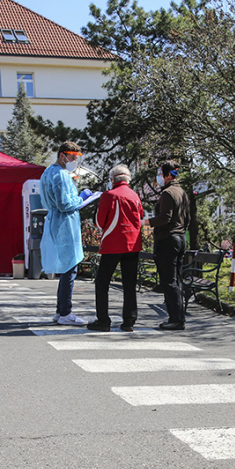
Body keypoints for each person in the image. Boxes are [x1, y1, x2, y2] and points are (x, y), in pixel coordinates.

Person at [87, 165, 143, 332]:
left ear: (112, 180)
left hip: (113, 244)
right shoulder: (135, 195)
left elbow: (99, 222)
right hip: (133, 245)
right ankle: (129, 321)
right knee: (129, 284)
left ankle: (103, 320)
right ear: (127, 179)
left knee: (102, 282)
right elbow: (139, 216)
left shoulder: (109, 195)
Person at [39, 141, 87, 325]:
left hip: (55, 221)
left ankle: (60, 311)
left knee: (66, 267)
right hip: (65, 224)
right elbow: (64, 204)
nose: (74, 161)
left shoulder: (47, 173)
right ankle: (66, 312)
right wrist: (82, 198)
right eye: (73, 157)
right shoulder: (61, 176)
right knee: (70, 268)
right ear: (62, 155)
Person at [149, 159, 190, 331]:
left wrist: (146, 222)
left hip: (168, 239)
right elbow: (187, 218)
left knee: (169, 281)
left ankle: (175, 319)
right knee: (177, 280)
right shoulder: (182, 192)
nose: (158, 176)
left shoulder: (168, 193)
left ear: (166, 175)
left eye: (160, 173)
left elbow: (164, 218)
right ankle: (179, 316)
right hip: (180, 238)